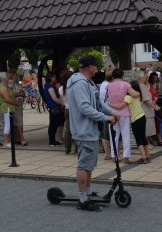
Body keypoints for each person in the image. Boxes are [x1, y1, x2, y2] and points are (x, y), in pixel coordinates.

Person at [67, 55, 117, 211]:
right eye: (96, 66)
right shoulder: (79, 84)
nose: (98, 69)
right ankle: (83, 200)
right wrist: (105, 118)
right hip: (84, 130)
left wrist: (112, 112)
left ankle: (87, 192)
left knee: (89, 165)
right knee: (84, 165)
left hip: (91, 130)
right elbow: (85, 108)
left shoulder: (88, 83)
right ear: (90, 67)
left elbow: (98, 103)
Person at [109, 80, 152, 164]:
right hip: (142, 116)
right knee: (143, 137)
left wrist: (110, 104)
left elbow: (119, 107)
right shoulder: (138, 95)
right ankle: (147, 157)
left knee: (138, 139)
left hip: (135, 119)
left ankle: (143, 158)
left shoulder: (128, 97)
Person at [107, 68, 139, 164]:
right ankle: (126, 157)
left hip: (112, 112)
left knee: (114, 135)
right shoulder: (126, 84)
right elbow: (134, 94)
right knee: (125, 135)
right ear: (122, 76)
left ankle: (114, 155)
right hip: (124, 112)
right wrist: (138, 93)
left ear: (112, 76)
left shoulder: (109, 85)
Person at [0, 72, 20, 148]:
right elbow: (7, 99)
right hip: (7, 107)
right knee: (8, 124)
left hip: (10, 107)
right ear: (4, 78)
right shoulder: (3, 87)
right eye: (7, 76)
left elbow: (11, 95)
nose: (8, 76)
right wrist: (16, 102)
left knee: (9, 124)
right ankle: (5, 142)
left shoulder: (6, 86)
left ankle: (7, 141)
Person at [137, 71, 160, 145]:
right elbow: (146, 100)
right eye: (146, 77)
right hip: (146, 110)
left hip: (146, 109)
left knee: (146, 128)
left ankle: (147, 143)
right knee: (146, 128)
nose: (147, 79)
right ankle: (146, 143)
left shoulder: (142, 85)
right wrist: (155, 107)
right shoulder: (142, 86)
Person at [44, 73, 64, 146]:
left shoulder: (47, 86)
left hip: (52, 106)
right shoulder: (50, 87)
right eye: (54, 77)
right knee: (53, 124)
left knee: (54, 123)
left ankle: (53, 140)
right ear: (50, 78)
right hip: (54, 106)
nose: (55, 78)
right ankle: (52, 140)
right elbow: (54, 98)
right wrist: (62, 103)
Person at [58, 70, 76, 154]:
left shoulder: (61, 89)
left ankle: (67, 148)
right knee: (76, 128)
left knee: (67, 129)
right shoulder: (74, 87)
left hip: (67, 109)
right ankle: (76, 148)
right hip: (75, 109)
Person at [99, 66, 114, 160]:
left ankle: (107, 153)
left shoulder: (103, 84)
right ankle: (109, 153)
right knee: (108, 132)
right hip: (108, 110)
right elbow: (105, 99)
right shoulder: (107, 85)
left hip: (106, 109)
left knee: (106, 133)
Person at [9, 72, 27, 146]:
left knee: (18, 121)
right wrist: (20, 94)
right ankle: (21, 138)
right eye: (16, 76)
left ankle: (18, 138)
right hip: (15, 104)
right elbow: (10, 94)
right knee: (19, 122)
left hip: (18, 103)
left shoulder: (15, 84)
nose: (18, 77)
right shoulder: (10, 84)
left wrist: (22, 94)